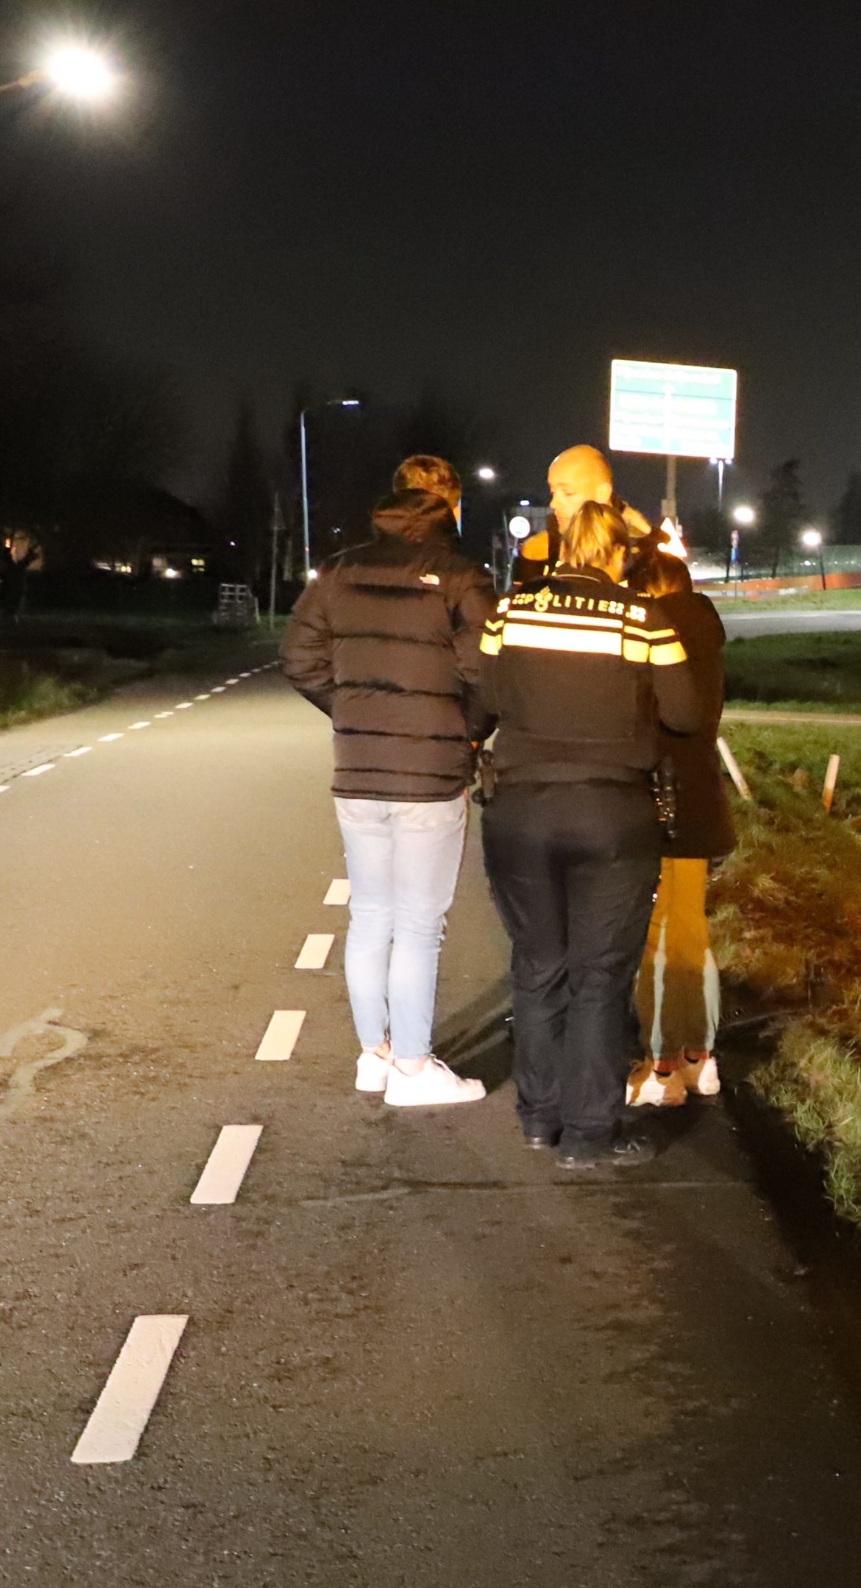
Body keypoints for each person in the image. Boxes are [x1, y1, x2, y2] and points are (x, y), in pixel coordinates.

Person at [473, 499, 702, 1169]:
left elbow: (481, 701)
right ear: (617, 555)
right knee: (600, 977)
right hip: (612, 815)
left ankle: (538, 1120)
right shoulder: (643, 619)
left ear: (562, 547)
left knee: (538, 966)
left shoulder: (509, 612)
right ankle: (588, 1133)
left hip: (519, 812)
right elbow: (685, 715)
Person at [280, 454, 494, 1107]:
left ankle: (374, 1053)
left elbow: (298, 658)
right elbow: (490, 669)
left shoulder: (340, 570)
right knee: (420, 922)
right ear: (449, 504)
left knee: (370, 913)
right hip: (430, 774)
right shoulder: (461, 577)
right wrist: (467, 730)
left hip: (358, 770)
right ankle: (411, 1066)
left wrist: (352, 710)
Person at [621, 549, 736, 1105]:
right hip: (699, 801)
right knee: (691, 928)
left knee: (656, 935)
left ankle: (661, 1068)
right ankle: (700, 1057)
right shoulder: (705, 632)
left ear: (650, 593)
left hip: (658, 803)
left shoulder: (658, 638)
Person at [511, 444, 660, 588]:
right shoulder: (538, 551)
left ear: (602, 493)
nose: (553, 504)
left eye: (568, 493)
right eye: (552, 492)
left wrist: (650, 537)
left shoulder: (642, 555)